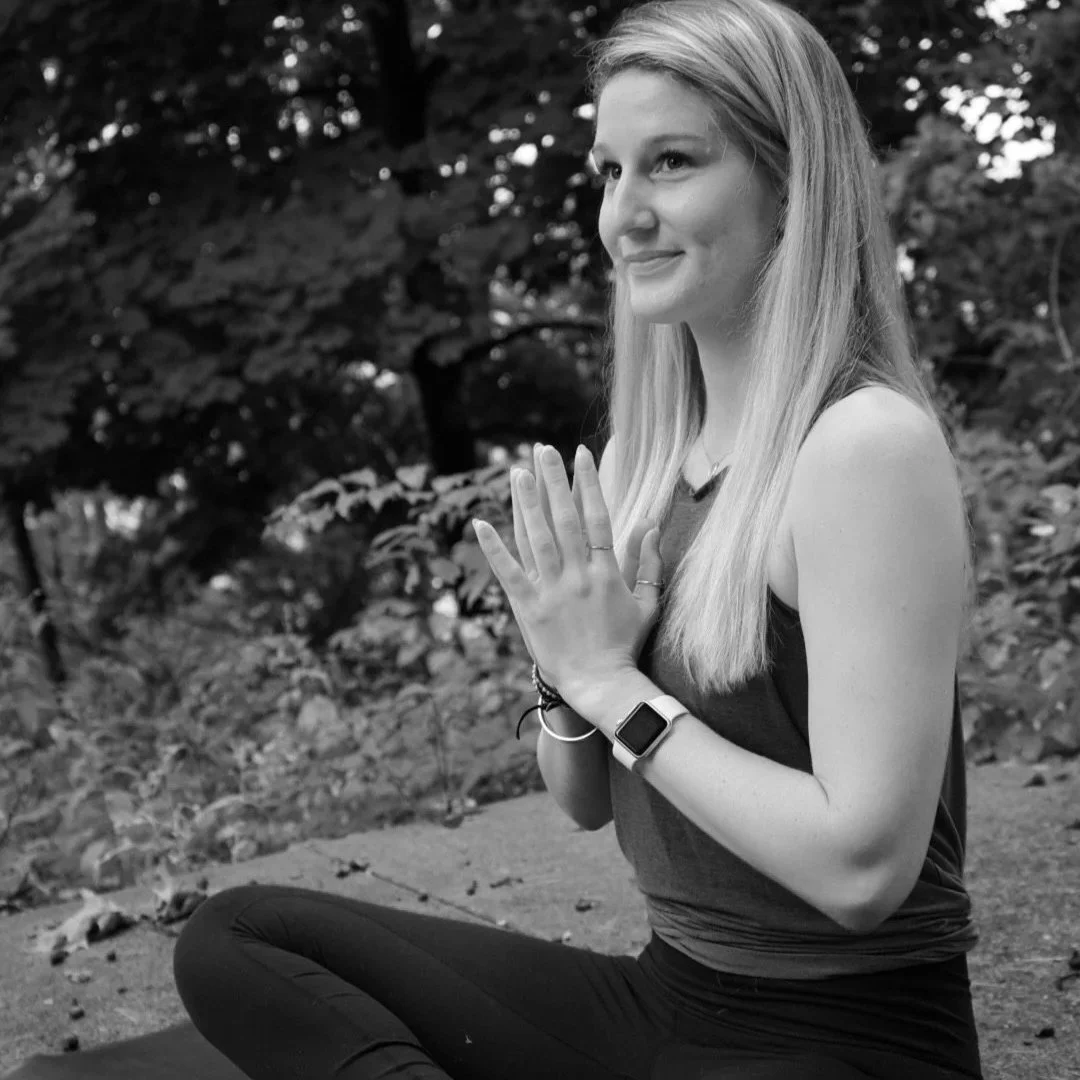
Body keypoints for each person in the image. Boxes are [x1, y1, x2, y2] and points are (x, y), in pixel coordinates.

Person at [172, 0, 983, 1077]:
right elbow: (584, 802)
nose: (625, 214)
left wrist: (615, 690)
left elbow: (861, 870)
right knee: (238, 941)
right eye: (610, 171)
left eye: (674, 163)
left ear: (792, 185)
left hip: (844, 1039)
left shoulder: (862, 445)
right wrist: (567, 674)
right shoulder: (665, 456)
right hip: (670, 999)